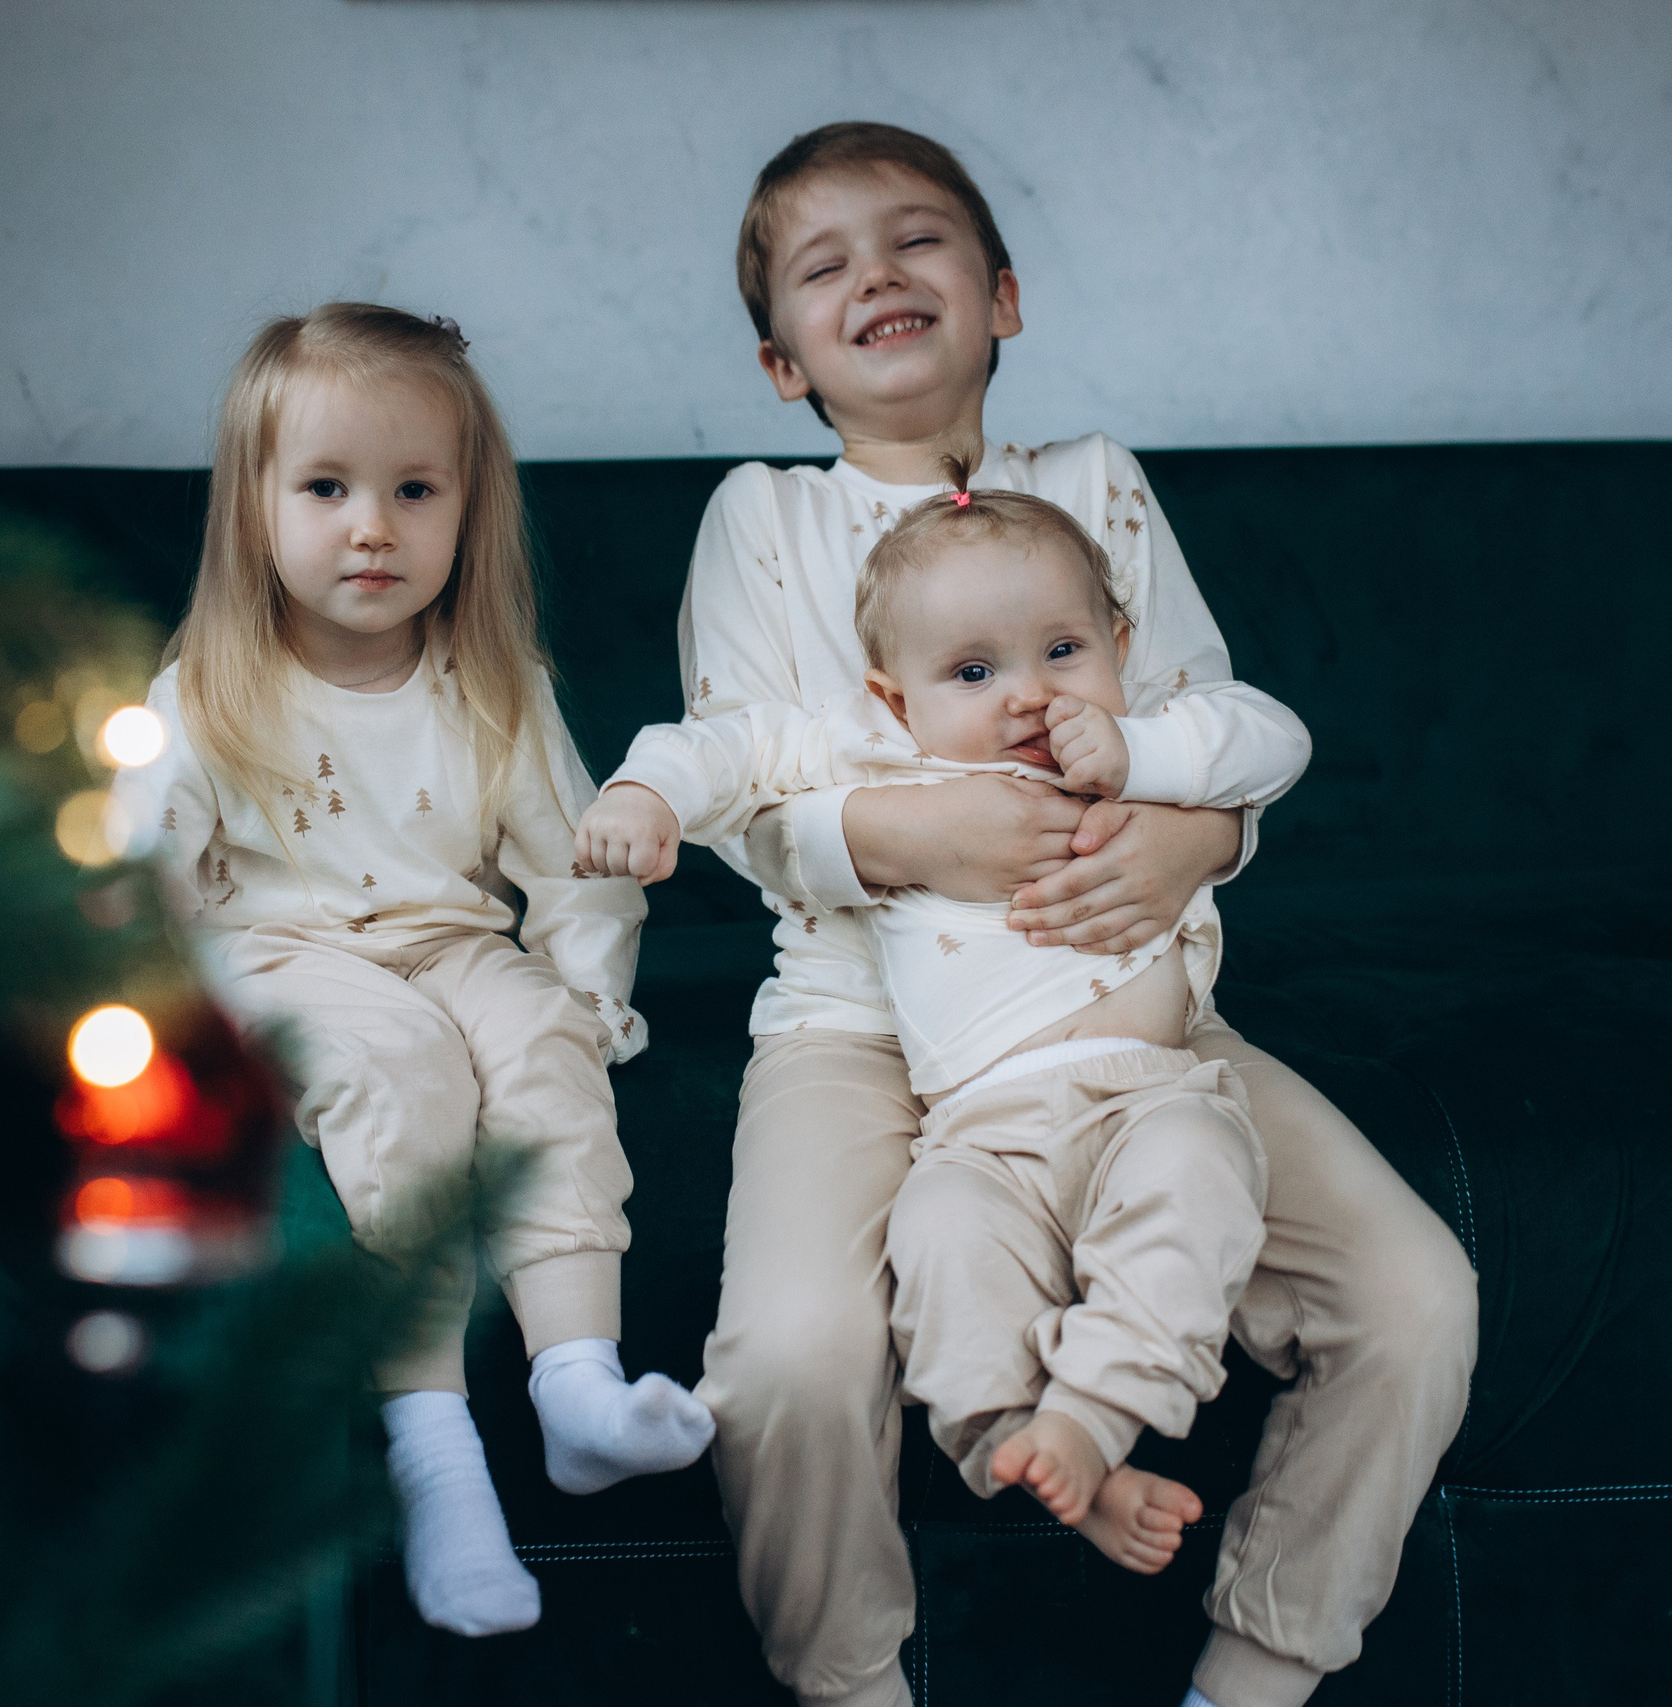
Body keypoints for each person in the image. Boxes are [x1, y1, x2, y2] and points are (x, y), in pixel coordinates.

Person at [669, 122, 1480, 1707]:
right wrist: (925, 825)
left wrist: (1196, 849)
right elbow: (748, 807)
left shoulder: (1098, 487)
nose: (880, 276)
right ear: (784, 363)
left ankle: (1251, 1672)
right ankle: (853, 1684)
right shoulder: (761, 517)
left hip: (1127, 1005)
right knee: (788, 1362)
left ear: (1004, 296)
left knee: (1414, 1293)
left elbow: (1206, 726)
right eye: (826, 266)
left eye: (919, 241)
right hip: (862, 1024)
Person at [114, 302, 714, 1639]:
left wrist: (581, 993)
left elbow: (572, 862)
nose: (371, 524)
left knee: (544, 1055)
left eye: (411, 490)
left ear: (466, 510)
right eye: (326, 488)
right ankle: (439, 1454)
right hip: (286, 950)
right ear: (256, 509)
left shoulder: (497, 682)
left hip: (455, 941)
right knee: (403, 1076)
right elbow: (138, 863)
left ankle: (579, 1385)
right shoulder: (205, 693)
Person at [579, 474, 1306, 1556]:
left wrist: (1141, 757)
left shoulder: (1146, 735)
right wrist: (644, 797)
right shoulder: (871, 754)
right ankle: (1030, 1444)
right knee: (939, 1252)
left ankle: (1092, 1416)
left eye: (1063, 652)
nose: (1026, 696)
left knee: (1199, 1180)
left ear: (1115, 640)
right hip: (977, 1133)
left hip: (1151, 1093)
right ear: (891, 696)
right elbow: (724, 750)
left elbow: (1273, 735)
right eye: (972, 671)